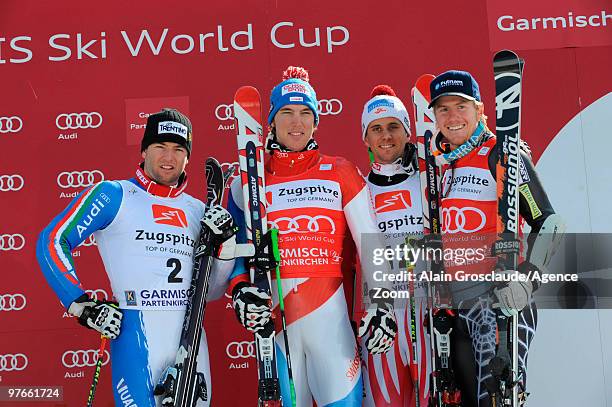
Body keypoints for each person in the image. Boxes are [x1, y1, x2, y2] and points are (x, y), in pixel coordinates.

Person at [36, 108, 248, 407]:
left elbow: (211, 292)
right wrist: (81, 304)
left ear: (188, 158)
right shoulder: (114, 195)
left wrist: (225, 246)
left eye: (178, 150)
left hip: (192, 339)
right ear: (144, 149)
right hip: (137, 335)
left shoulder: (198, 210)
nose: (169, 157)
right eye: (160, 146)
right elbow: (53, 240)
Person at [227, 66, 398, 406]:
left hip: (331, 326)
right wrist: (240, 291)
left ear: (316, 121)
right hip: (275, 326)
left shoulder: (341, 171)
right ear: (271, 122)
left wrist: (382, 304)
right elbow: (233, 253)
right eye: (286, 113)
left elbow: (372, 244)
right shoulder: (247, 178)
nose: (296, 123)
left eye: (306, 113)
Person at [427, 70, 565, 406]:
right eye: (443, 109)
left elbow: (549, 222)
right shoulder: (446, 165)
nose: (452, 117)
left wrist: (528, 279)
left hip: (499, 304)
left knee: (497, 401)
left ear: (479, 109)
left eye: (461, 106)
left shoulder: (501, 153)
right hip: (458, 311)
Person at [360, 85, 430, 407]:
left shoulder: (430, 181)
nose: (385, 136)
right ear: (366, 138)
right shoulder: (357, 192)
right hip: (382, 316)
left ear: (407, 130)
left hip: (429, 310)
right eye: (376, 129)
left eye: (393, 126)